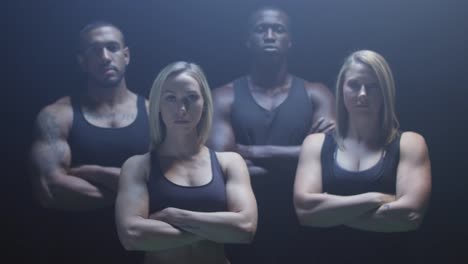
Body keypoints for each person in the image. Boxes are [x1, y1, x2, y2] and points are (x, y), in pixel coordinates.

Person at [208, 5, 335, 263]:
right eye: (260, 29)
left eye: (278, 29)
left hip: (304, 226)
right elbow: (221, 164)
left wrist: (248, 151)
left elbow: (329, 158)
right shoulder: (224, 96)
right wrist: (302, 159)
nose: (269, 35)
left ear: (290, 41)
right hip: (243, 224)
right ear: (248, 40)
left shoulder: (316, 93)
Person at [293, 50, 432, 263]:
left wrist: (328, 214)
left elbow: (410, 216)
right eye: (354, 85)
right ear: (342, 88)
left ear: (385, 90)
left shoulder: (410, 143)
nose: (363, 94)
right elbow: (304, 213)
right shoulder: (316, 144)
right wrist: (375, 199)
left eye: (373, 86)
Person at [29, 21, 149, 264]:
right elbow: (51, 190)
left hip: (144, 252)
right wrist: (135, 191)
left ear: (126, 55)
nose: (105, 57)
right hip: (75, 250)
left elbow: (170, 183)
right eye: (94, 50)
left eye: (112, 47)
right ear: (82, 61)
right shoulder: (57, 115)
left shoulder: (155, 113)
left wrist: (94, 173)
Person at [115, 61, 257, 264]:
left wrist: (176, 216)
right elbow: (132, 236)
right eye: (171, 98)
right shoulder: (138, 166)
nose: (181, 109)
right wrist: (219, 229)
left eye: (191, 97)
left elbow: (246, 229)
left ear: (205, 104)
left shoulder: (230, 162)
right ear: (158, 105)